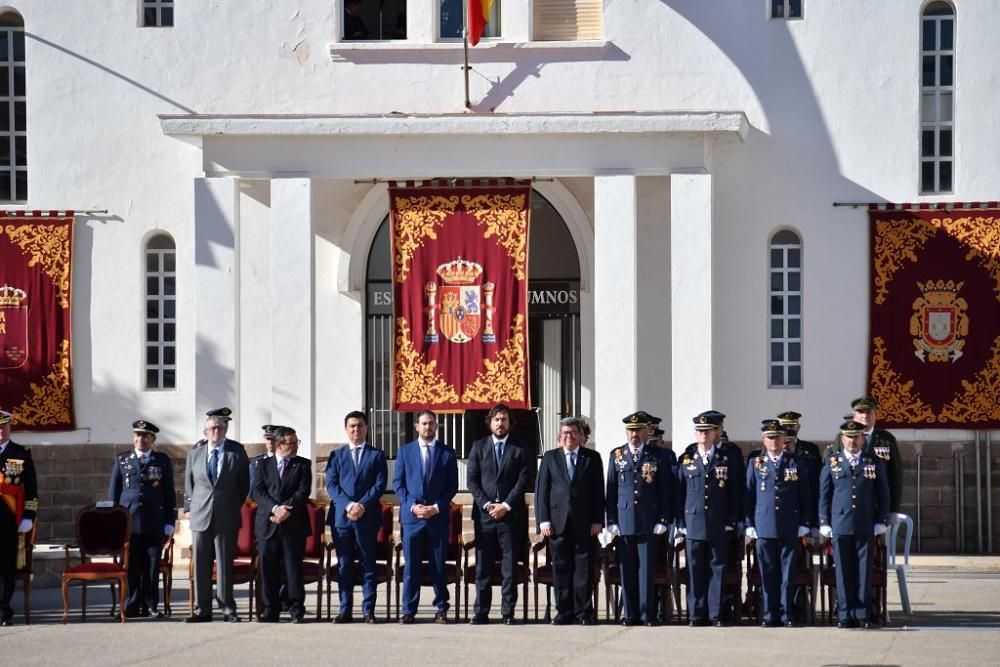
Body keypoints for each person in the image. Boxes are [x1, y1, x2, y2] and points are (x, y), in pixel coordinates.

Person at [819, 420, 890, 629]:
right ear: (842, 439)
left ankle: (862, 614)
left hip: (864, 523)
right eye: (848, 437)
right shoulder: (833, 462)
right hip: (840, 524)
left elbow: (883, 494)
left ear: (862, 439)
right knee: (843, 571)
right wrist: (824, 521)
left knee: (863, 571)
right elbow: (824, 494)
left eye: (856, 437)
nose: (852, 441)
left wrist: (881, 520)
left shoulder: (873, 461)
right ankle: (845, 614)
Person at [606, 410, 673, 626]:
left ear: (646, 431)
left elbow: (664, 490)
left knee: (646, 571)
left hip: (648, 521)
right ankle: (630, 614)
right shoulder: (616, 455)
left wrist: (663, 519)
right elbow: (612, 490)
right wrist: (612, 521)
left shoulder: (657, 456)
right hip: (625, 521)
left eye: (638, 429)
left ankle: (647, 614)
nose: (634, 434)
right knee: (627, 570)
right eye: (630, 430)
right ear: (626, 432)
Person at [466, 404, 531, 625]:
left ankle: (507, 612)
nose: (500, 423)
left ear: (509, 423)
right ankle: (481, 612)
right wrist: (486, 505)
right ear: (490, 422)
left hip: (510, 516)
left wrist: (505, 505)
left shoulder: (520, 448)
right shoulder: (478, 446)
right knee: (483, 566)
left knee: (509, 567)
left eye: (504, 419)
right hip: (484, 517)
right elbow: (472, 481)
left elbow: (523, 480)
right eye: (496, 419)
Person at [535, 417, 604, 625]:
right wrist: (543, 521)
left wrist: (597, 520)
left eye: (573, 433)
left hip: (585, 523)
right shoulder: (550, 458)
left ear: (581, 436)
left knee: (583, 569)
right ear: (559, 436)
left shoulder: (592, 458)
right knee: (561, 569)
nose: (569, 436)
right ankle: (564, 612)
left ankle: (583, 612)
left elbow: (598, 492)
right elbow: (542, 492)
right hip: (557, 523)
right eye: (565, 433)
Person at [675, 412, 741, 626]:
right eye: (700, 431)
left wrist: (732, 519)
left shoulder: (726, 458)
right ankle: (696, 614)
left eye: (708, 430)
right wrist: (680, 523)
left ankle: (715, 614)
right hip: (693, 523)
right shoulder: (686, 459)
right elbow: (680, 493)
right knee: (695, 570)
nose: (704, 434)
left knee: (717, 569)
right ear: (695, 434)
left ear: (715, 433)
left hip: (718, 523)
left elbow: (734, 492)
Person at [184, 409, 250, 622]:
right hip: (200, 515)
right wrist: (193, 509)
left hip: (226, 515)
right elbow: (189, 485)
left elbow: (244, 486)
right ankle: (202, 610)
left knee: (224, 565)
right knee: (201, 565)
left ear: (226, 430)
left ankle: (227, 608)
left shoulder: (237, 453)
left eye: (220, 428)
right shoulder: (195, 453)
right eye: (212, 428)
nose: (216, 431)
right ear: (205, 431)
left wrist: (229, 504)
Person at [745, 420, 813, 627]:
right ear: (763, 440)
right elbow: (748, 496)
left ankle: (786, 614)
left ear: (785, 439)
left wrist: (804, 523)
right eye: (770, 437)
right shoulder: (755, 463)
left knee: (786, 575)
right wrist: (749, 523)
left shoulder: (796, 462)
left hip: (789, 525)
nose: (774, 441)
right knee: (768, 573)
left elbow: (805, 495)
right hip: (764, 525)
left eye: (777, 437)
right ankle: (769, 613)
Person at [393, 410, 458, 624]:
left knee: (438, 565)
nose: (427, 427)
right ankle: (409, 610)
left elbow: (452, 486)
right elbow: (398, 485)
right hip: (412, 519)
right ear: (416, 427)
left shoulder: (447, 453)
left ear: (436, 426)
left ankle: (441, 609)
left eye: (431, 423)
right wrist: (413, 506)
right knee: (411, 566)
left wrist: (437, 507)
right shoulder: (404, 452)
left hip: (437, 518)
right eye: (424, 423)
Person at [108, 420, 177, 618]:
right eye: (138, 435)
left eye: (145, 436)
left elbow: (169, 493)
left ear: (153, 439)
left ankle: (151, 605)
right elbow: (114, 494)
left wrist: (169, 522)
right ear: (133, 437)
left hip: (154, 521)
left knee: (152, 565)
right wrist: (114, 522)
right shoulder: (122, 460)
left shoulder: (162, 461)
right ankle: (131, 604)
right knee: (131, 566)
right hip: (129, 522)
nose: (141, 439)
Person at [325, 411, 388, 624]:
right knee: (344, 565)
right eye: (351, 426)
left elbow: (379, 484)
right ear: (346, 429)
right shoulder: (336, 455)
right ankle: (345, 610)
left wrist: (362, 505)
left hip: (367, 517)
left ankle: (368, 610)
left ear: (366, 427)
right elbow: (332, 485)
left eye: (360, 425)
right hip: (342, 519)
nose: (356, 429)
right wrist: (349, 505)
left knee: (368, 564)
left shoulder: (377, 455)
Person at [253, 426, 311, 623]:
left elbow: (302, 492)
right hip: (268, 524)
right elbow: (258, 492)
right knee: (268, 569)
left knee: (293, 569)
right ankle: (270, 608)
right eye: (291, 443)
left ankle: (296, 608)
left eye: (296, 443)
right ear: (278, 445)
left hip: (293, 524)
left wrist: (285, 510)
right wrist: (275, 509)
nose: (295, 447)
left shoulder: (302, 465)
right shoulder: (261, 464)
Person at [0, 410, 37, 627]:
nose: (1, 431)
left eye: (4, 427)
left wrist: (29, 516)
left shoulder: (21, 453)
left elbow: (31, 488)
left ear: (10, 428)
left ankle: (5, 610)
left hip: (8, 520)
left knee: (6, 568)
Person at [850, 396, 903, 515]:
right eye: (861, 412)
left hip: (877, 505)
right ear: (854, 416)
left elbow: (895, 476)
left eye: (869, 412)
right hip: (850, 506)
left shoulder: (886, 439)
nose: (865, 416)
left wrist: (893, 509)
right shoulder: (843, 438)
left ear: (875, 415)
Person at [249, 424, 279, 500]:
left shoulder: (283, 461)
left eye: (273, 439)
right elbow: (252, 484)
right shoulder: (256, 461)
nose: (270, 442)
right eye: (268, 439)